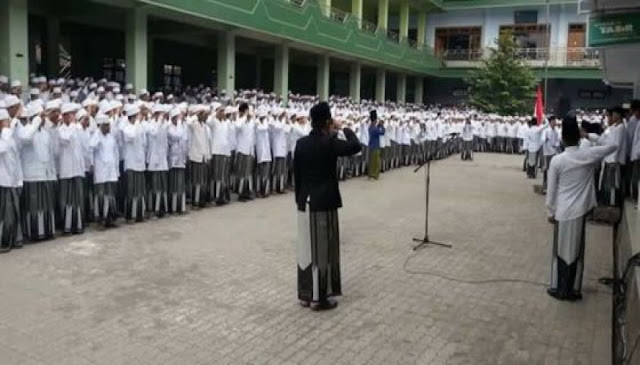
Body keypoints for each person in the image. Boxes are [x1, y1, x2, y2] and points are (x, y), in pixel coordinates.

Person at [294, 101, 361, 311]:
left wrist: (299, 199)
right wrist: (343, 128)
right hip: (324, 203)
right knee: (322, 251)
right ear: (327, 122)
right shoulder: (330, 143)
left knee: (306, 251)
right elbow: (355, 146)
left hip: (304, 203)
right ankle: (319, 298)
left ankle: (305, 294)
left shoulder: (301, 143)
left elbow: (296, 174)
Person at [545, 116, 616, 301]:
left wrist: (550, 212)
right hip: (580, 212)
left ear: (563, 139)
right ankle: (573, 289)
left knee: (560, 250)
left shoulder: (557, 160)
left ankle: (559, 288)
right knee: (576, 250)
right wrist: (591, 136)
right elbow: (612, 145)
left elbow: (551, 191)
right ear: (579, 137)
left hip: (562, 212)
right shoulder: (588, 154)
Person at [18, 104, 57, 241]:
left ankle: (46, 231)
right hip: (31, 175)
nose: (43, 119)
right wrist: (35, 122)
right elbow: (26, 138)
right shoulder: (25, 130)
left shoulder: (45, 133)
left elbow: (51, 153)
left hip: (44, 174)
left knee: (45, 205)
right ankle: (34, 233)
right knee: (34, 206)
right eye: (41, 116)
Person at [57, 103, 86, 234]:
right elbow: (65, 139)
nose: (73, 116)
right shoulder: (60, 130)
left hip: (78, 169)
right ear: (64, 116)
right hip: (66, 169)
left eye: (73, 114)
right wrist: (74, 125)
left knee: (78, 198)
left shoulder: (78, 128)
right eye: (70, 114)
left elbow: (83, 147)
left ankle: (79, 225)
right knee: (66, 199)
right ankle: (67, 226)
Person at [90, 114, 119, 227]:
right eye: (106, 125)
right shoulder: (96, 137)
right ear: (101, 126)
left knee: (110, 194)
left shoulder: (111, 137)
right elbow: (91, 147)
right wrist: (98, 133)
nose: (109, 127)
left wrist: (116, 169)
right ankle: (101, 218)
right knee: (101, 195)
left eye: (109, 125)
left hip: (111, 170)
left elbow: (115, 154)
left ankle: (110, 218)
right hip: (101, 171)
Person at [0, 108, 23, 252]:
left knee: (12, 214)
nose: (8, 125)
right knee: (4, 215)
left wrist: (19, 180)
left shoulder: (9, 138)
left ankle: (12, 240)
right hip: (2, 182)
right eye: (5, 122)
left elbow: (15, 160)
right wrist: (6, 130)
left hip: (11, 181)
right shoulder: (5, 138)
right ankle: (3, 241)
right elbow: (2, 148)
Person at [541, 116, 560, 192]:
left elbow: (558, 140)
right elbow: (542, 139)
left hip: (554, 151)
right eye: (553, 121)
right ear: (550, 122)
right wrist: (546, 139)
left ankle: (552, 184)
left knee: (553, 168)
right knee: (546, 168)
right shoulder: (546, 131)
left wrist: (556, 145)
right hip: (547, 152)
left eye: (555, 121)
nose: (554, 123)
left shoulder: (556, 130)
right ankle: (545, 184)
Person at [367, 111, 385, 180]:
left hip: (371, 145)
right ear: (375, 120)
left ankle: (370, 174)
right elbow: (382, 132)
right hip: (375, 146)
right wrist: (382, 126)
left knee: (371, 161)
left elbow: (376, 129)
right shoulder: (375, 128)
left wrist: (378, 125)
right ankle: (374, 174)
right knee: (376, 162)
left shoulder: (371, 127)